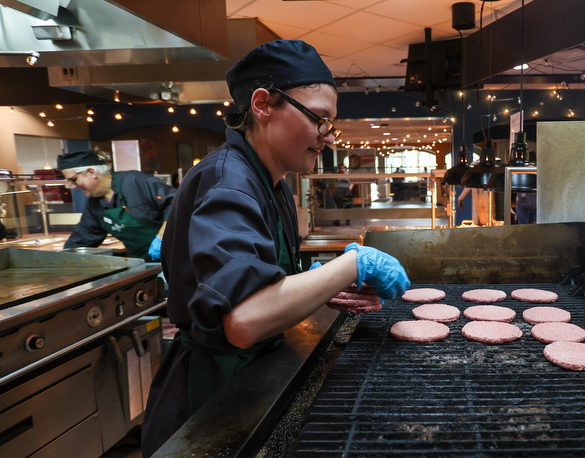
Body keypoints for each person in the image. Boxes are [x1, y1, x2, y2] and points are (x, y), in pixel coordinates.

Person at [140, 40, 410, 456]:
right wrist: (349, 265)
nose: (328, 137)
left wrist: (317, 289)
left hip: (248, 376)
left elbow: (262, 282)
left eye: (330, 125)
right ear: (263, 105)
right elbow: (243, 320)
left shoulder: (272, 182)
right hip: (210, 394)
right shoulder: (229, 181)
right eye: (319, 119)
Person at [57, 150, 175, 261]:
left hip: (175, 257)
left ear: (91, 172)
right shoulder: (94, 205)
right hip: (143, 262)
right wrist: (63, 261)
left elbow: (176, 204)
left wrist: (161, 237)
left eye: (73, 180)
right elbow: (81, 240)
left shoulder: (136, 182)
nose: (73, 186)